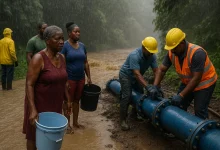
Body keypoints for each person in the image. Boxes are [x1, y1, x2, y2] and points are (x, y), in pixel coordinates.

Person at [150, 28, 217, 119]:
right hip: (188, 81)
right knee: (178, 105)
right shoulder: (172, 53)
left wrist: (181, 95)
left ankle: (204, 130)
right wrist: (155, 86)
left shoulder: (197, 53)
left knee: (199, 111)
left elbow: (196, 78)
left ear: (182, 43)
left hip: (204, 83)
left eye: (174, 48)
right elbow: (161, 70)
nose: (172, 51)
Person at [23, 25, 72, 150]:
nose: (61, 42)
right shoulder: (38, 58)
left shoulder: (62, 58)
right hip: (39, 104)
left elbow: (64, 81)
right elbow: (29, 84)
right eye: (57, 39)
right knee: (34, 136)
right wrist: (33, 110)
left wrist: (67, 100)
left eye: (62, 38)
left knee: (52, 136)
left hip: (55, 104)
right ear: (48, 41)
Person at [119, 37, 160, 131]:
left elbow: (156, 71)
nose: (151, 53)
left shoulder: (152, 56)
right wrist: (148, 87)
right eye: (149, 51)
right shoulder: (135, 55)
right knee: (127, 95)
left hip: (138, 75)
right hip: (126, 75)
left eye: (152, 51)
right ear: (143, 48)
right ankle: (122, 120)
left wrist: (156, 86)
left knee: (140, 93)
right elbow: (136, 74)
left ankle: (134, 115)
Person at [61, 22, 92, 133]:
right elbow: (62, 64)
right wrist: (65, 80)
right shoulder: (64, 46)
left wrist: (89, 77)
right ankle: (67, 125)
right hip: (70, 79)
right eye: (75, 31)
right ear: (69, 33)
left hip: (80, 79)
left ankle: (75, 122)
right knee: (67, 101)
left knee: (76, 101)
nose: (78, 33)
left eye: (79, 31)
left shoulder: (82, 46)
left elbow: (85, 62)